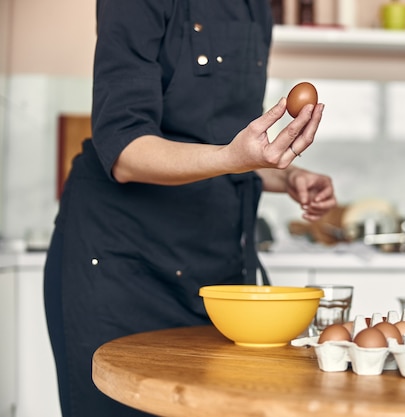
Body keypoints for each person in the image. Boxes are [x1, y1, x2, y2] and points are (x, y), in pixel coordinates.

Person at [43, 1, 336, 416]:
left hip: (210, 269)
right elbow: (125, 152)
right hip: (121, 264)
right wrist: (234, 159)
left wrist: (286, 176)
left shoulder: (256, 8)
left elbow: (217, 142)